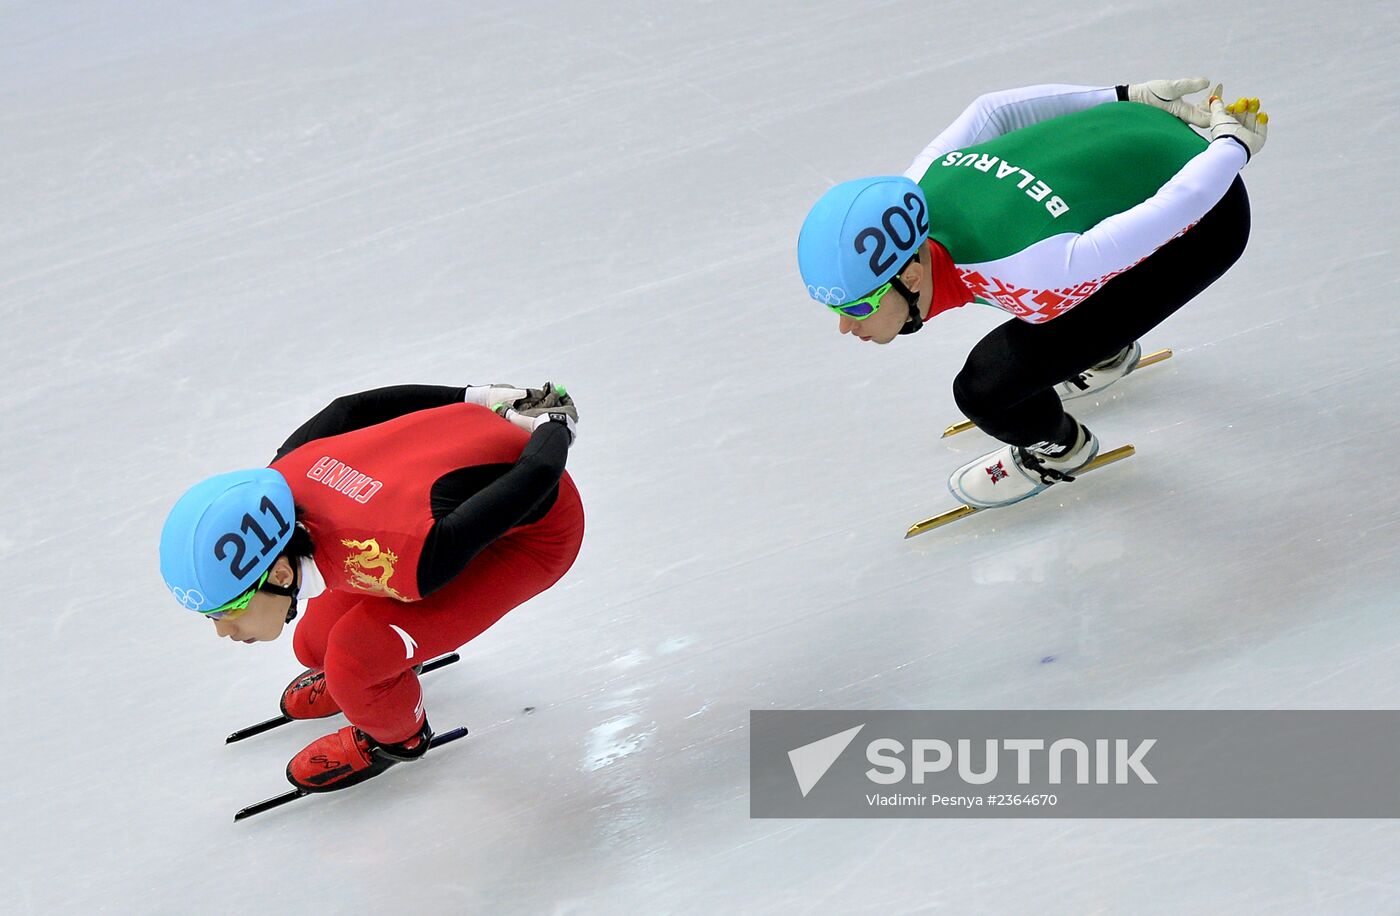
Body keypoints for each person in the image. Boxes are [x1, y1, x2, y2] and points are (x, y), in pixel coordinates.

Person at [797, 79, 1268, 508]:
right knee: (1053, 310)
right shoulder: (914, 189)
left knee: (986, 390)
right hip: (1131, 134)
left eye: (856, 306)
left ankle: (1063, 450)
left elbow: (1166, 214)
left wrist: (1231, 150)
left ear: (912, 278)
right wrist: (1123, 96)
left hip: (1205, 216)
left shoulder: (1030, 267)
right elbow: (990, 112)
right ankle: (1099, 352)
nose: (844, 325)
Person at [159, 383, 585, 792]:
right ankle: (385, 672)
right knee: (314, 648)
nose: (221, 630)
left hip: (532, 528)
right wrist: (477, 396)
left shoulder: (410, 557)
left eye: (227, 611)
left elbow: (539, 473)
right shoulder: (281, 478)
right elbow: (350, 410)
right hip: (438, 479)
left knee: (352, 661)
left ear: (282, 575)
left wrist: (553, 428)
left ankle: (399, 739)